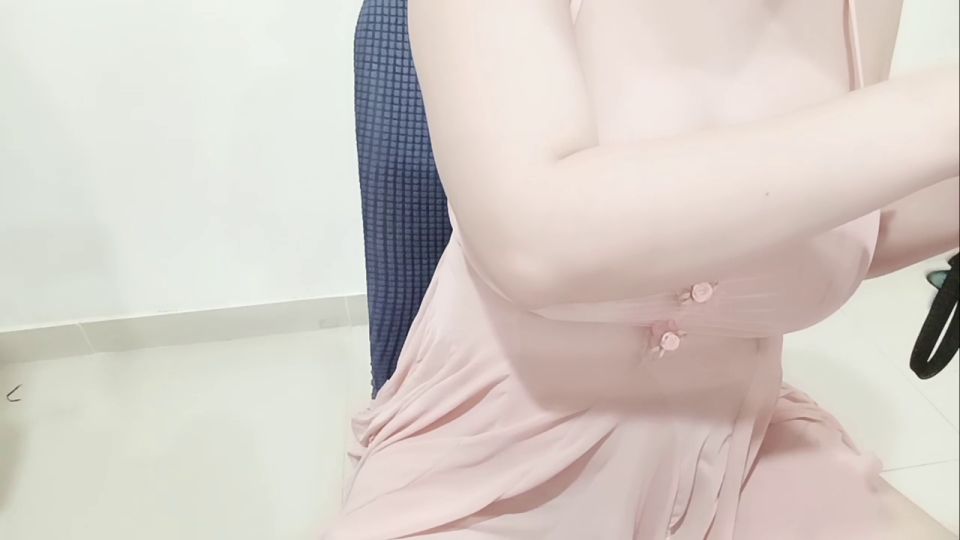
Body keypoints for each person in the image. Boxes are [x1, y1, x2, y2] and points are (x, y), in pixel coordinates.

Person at [326, 0, 960, 538]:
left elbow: (842, 216)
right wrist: (934, 114)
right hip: (490, 465)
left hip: (736, 448)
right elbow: (535, 241)